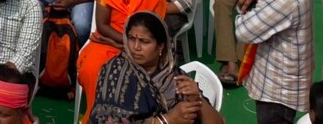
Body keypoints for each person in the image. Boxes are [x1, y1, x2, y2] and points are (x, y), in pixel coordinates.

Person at [75, 0, 166, 123]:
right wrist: (122, 43)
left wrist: (127, 45)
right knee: (93, 69)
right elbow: (102, 25)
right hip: (107, 41)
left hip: (139, 48)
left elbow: (155, 34)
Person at [89, 10, 225, 124]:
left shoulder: (175, 77)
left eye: (144, 41)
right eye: (131, 38)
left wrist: (197, 99)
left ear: (160, 47)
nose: (135, 47)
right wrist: (166, 119)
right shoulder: (115, 71)